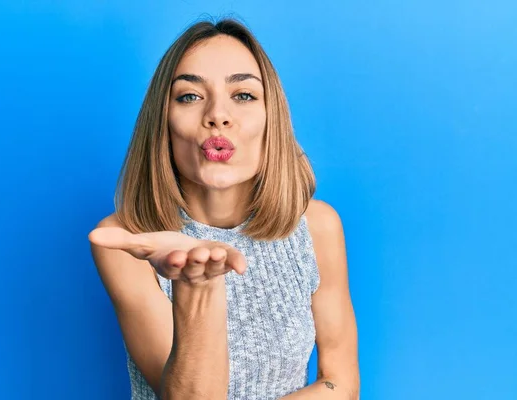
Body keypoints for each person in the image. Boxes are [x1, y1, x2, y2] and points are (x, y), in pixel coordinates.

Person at [88, 18, 359, 400]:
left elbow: (340, 383)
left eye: (244, 95)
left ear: (272, 119)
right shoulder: (128, 241)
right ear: (162, 122)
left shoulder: (318, 226)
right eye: (190, 96)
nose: (218, 114)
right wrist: (195, 283)